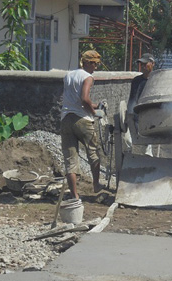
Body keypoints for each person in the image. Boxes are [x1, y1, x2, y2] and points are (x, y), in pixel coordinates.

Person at [60, 49, 103, 199]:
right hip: (82, 120)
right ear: (87, 63)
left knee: (70, 159)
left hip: (66, 119)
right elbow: (84, 99)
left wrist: (95, 105)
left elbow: (74, 99)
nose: (95, 67)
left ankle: (74, 195)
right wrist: (94, 112)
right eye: (94, 64)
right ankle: (96, 185)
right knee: (93, 152)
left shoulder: (68, 75)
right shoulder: (88, 77)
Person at [124, 53, 155, 156]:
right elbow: (132, 98)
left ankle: (148, 158)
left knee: (148, 141)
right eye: (141, 64)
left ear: (152, 64)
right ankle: (128, 158)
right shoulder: (137, 81)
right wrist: (128, 115)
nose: (143, 66)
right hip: (136, 114)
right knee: (127, 139)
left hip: (150, 115)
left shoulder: (155, 80)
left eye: (145, 64)